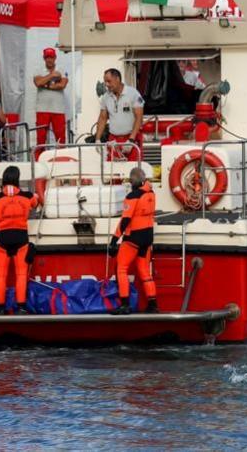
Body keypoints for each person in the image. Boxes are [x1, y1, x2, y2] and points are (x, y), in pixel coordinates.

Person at [0, 165, 40, 315]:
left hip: (2, 240)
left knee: (0, 275)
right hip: (21, 238)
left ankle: (1, 308)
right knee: (21, 275)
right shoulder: (27, 196)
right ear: (17, 179)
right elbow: (36, 203)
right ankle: (21, 307)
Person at [108, 166, 158, 315]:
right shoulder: (151, 194)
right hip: (148, 238)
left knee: (121, 269)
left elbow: (125, 220)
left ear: (133, 181)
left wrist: (114, 240)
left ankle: (125, 304)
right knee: (144, 271)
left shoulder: (132, 196)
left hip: (133, 238)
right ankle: (152, 304)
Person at [93, 68, 144, 161]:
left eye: (109, 81)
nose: (107, 85)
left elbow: (139, 117)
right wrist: (97, 140)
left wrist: (131, 140)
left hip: (131, 138)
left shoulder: (133, 94)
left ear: (117, 79)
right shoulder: (106, 97)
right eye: (105, 82)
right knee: (113, 171)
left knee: (133, 169)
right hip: (114, 140)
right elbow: (102, 118)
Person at [33, 47, 68, 157]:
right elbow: (38, 83)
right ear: (44, 58)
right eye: (47, 57)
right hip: (42, 109)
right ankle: (39, 160)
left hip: (58, 109)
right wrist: (52, 76)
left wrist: (46, 84)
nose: (49, 60)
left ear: (55, 58)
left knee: (60, 138)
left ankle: (61, 159)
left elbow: (62, 85)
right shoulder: (38, 69)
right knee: (41, 138)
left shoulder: (62, 68)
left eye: (51, 57)